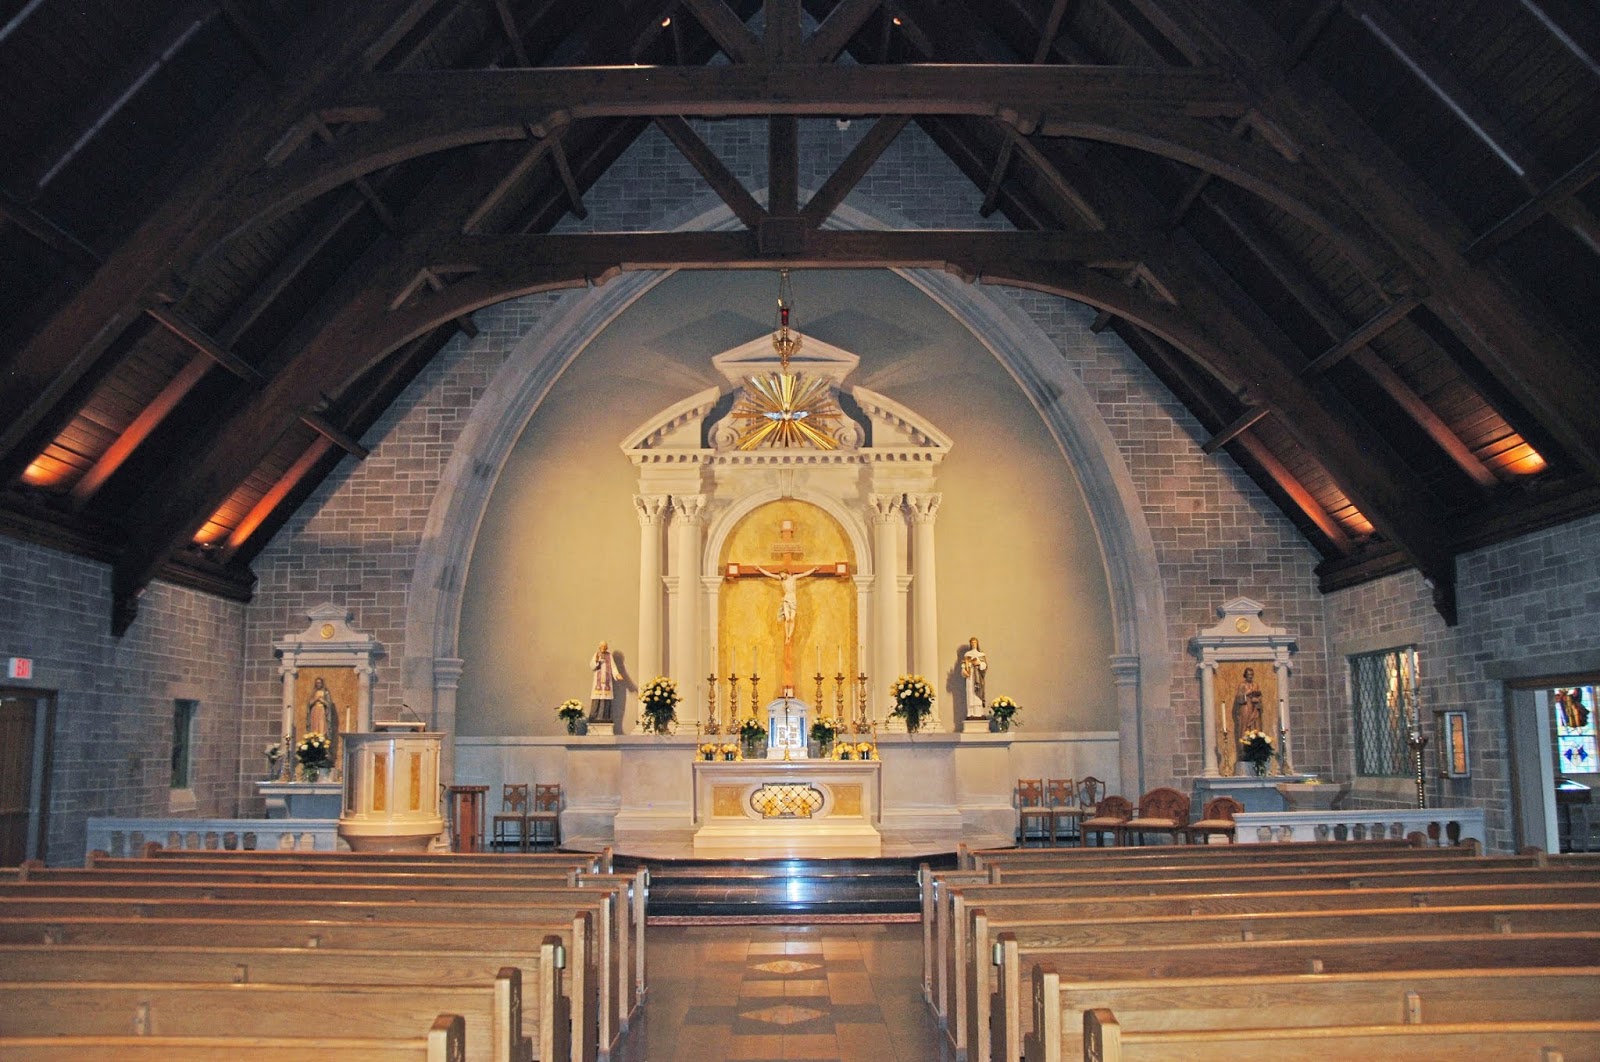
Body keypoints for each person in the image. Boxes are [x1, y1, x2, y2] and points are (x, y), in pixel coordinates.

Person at [755, 565, 818, 644]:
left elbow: (805, 574)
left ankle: (789, 636)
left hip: (793, 600)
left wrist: (814, 569)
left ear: (785, 573)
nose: (781, 576)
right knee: (787, 618)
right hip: (786, 599)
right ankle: (787, 636)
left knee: (792, 619)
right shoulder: (781, 579)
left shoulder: (794, 577)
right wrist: (760, 569)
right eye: (780, 575)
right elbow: (769, 574)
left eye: (782, 574)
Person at [589, 642, 617, 723]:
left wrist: (617, 674)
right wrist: (596, 661)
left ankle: (606, 718)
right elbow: (592, 666)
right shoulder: (596, 654)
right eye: (602, 646)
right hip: (598, 682)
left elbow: (613, 667)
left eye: (605, 646)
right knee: (596, 698)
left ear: (607, 647)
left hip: (607, 682)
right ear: (599, 647)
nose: (604, 647)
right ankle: (593, 718)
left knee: (606, 699)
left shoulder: (609, 655)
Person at [1231, 667, 1264, 735]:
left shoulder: (1255, 684)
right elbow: (1238, 698)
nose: (1250, 676)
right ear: (1245, 675)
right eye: (1249, 674)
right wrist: (1246, 694)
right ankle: (1244, 743)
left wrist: (1257, 700)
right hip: (1246, 707)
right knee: (1244, 725)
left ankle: (1255, 742)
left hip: (1254, 708)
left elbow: (1259, 695)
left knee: (1255, 726)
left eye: (1252, 674)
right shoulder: (1242, 685)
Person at [961, 636, 988, 718]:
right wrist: (964, 671)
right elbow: (963, 666)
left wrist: (979, 663)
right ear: (970, 644)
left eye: (975, 642)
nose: (973, 644)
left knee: (978, 694)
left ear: (977, 643)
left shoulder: (981, 654)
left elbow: (985, 666)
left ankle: (979, 713)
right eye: (972, 643)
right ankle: (971, 713)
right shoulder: (967, 655)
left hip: (978, 677)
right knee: (970, 694)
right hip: (970, 677)